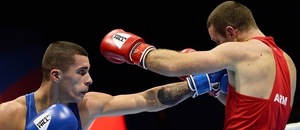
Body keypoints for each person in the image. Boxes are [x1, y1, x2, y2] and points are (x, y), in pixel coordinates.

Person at [100, 1, 297, 130]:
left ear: (231, 32)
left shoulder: (242, 51)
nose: (218, 47)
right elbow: (252, 112)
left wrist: (136, 50)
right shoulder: (288, 63)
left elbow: (175, 65)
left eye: (216, 42)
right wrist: (216, 89)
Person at [0, 41, 197, 130]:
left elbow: (147, 100)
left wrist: (198, 84)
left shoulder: (88, 105)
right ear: (56, 75)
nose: (89, 80)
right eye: (81, 72)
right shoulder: (10, 114)